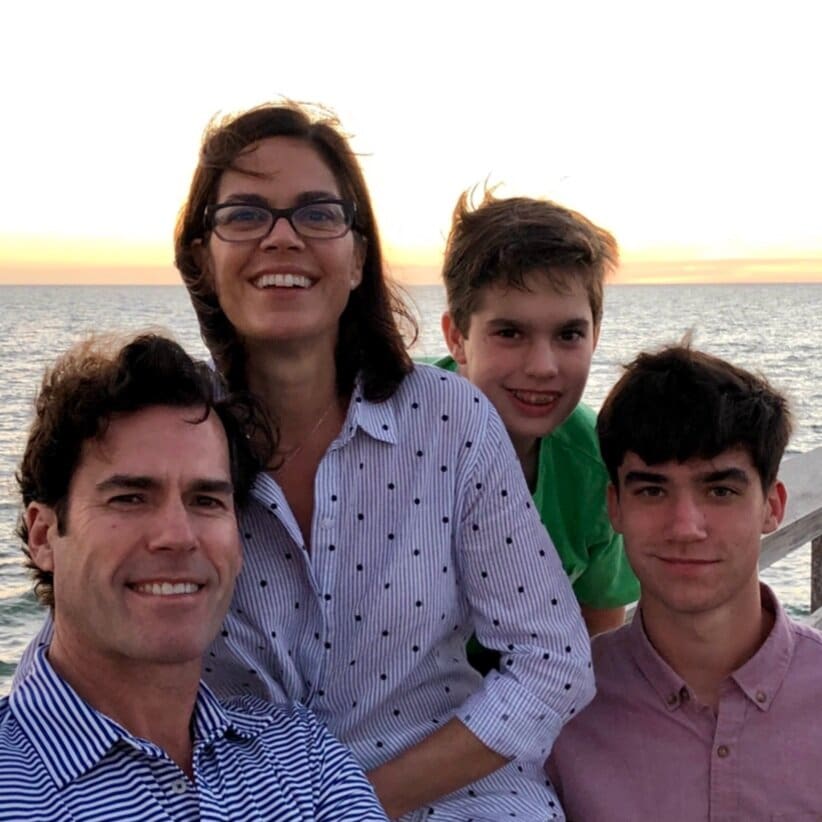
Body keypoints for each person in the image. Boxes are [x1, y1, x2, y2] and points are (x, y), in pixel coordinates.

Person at [172, 101, 594, 820]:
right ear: (202, 259)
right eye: (245, 215)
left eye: (317, 213)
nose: (282, 238)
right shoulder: (166, 432)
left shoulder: (450, 420)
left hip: (455, 801)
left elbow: (552, 660)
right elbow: (84, 655)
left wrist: (355, 806)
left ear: (358, 256)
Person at [2, 333, 388, 820]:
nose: (178, 536)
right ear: (43, 536)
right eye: (130, 497)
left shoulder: (304, 759)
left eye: (206, 500)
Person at [546, 343, 822, 820]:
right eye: (652, 490)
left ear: (772, 506)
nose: (685, 526)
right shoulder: (559, 710)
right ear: (614, 507)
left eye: (720, 490)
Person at [437, 190, 638, 643]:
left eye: (569, 334)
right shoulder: (387, 425)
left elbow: (596, 635)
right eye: (509, 332)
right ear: (457, 338)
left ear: (596, 335)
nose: (543, 366)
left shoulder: (594, 465)